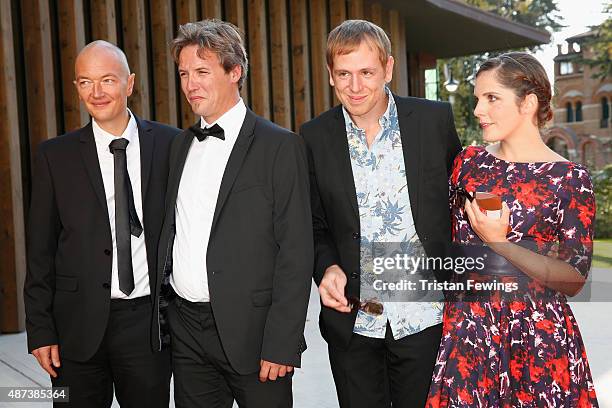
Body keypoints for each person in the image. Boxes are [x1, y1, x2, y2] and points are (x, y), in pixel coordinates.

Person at [300, 19, 462, 408]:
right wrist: (327, 268)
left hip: (425, 317)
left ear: (388, 68)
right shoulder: (313, 136)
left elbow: (460, 205)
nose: (355, 87)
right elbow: (315, 224)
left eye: (366, 73)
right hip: (353, 323)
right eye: (344, 74)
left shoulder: (433, 121)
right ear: (330, 75)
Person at [426, 52, 599, 407]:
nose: (478, 110)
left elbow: (574, 279)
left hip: (537, 342)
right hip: (468, 336)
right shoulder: (469, 163)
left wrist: (501, 244)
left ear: (528, 103)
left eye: (492, 98)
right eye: (477, 98)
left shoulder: (570, 180)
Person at [158, 19, 313, 408]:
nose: (190, 84)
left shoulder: (281, 147)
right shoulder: (179, 146)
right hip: (188, 335)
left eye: (202, 72)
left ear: (235, 72)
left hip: (256, 338)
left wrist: (282, 343)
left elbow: (295, 252)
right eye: (184, 73)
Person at [24, 40, 179, 407]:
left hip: (147, 327)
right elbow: (40, 252)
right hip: (74, 329)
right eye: (84, 82)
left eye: (107, 80)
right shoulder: (54, 156)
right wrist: (40, 331)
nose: (96, 93)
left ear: (130, 84)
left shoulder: (170, 144)